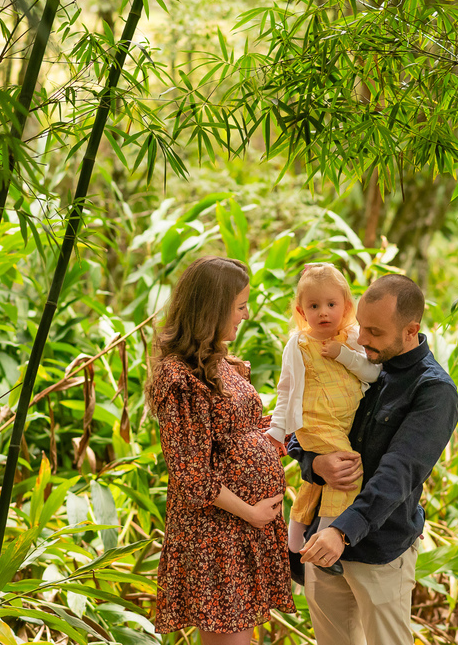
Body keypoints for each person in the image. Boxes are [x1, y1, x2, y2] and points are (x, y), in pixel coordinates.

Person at [289, 273, 458, 645]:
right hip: (324, 540)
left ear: (410, 330)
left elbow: (400, 472)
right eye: (362, 326)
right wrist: (314, 464)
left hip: (379, 551)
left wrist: (342, 530)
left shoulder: (433, 390)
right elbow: (305, 424)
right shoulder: (355, 359)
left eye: (375, 332)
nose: (362, 338)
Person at [145, 256, 294, 643]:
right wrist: (252, 513)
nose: (246, 315)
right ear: (212, 309)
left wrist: (283, 431)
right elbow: (191, 473)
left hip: (243, 529)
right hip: (218, 533)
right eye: (240, 306)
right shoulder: (179, 377)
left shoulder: (219, 360)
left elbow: (235, 433)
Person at [266, 263, 381, 580]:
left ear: (346, 306)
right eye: (314, 306)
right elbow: (286, 388)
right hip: (317, 421)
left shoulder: (352, 339)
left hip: (341, 422)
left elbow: (373, 373)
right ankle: (325, 546)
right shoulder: (299, 344)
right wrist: (277, 431)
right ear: (302, 311)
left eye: (331, 304)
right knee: (345, 473)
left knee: (313, 486)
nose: (323, 313)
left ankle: (292, 544)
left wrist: (343, 354)